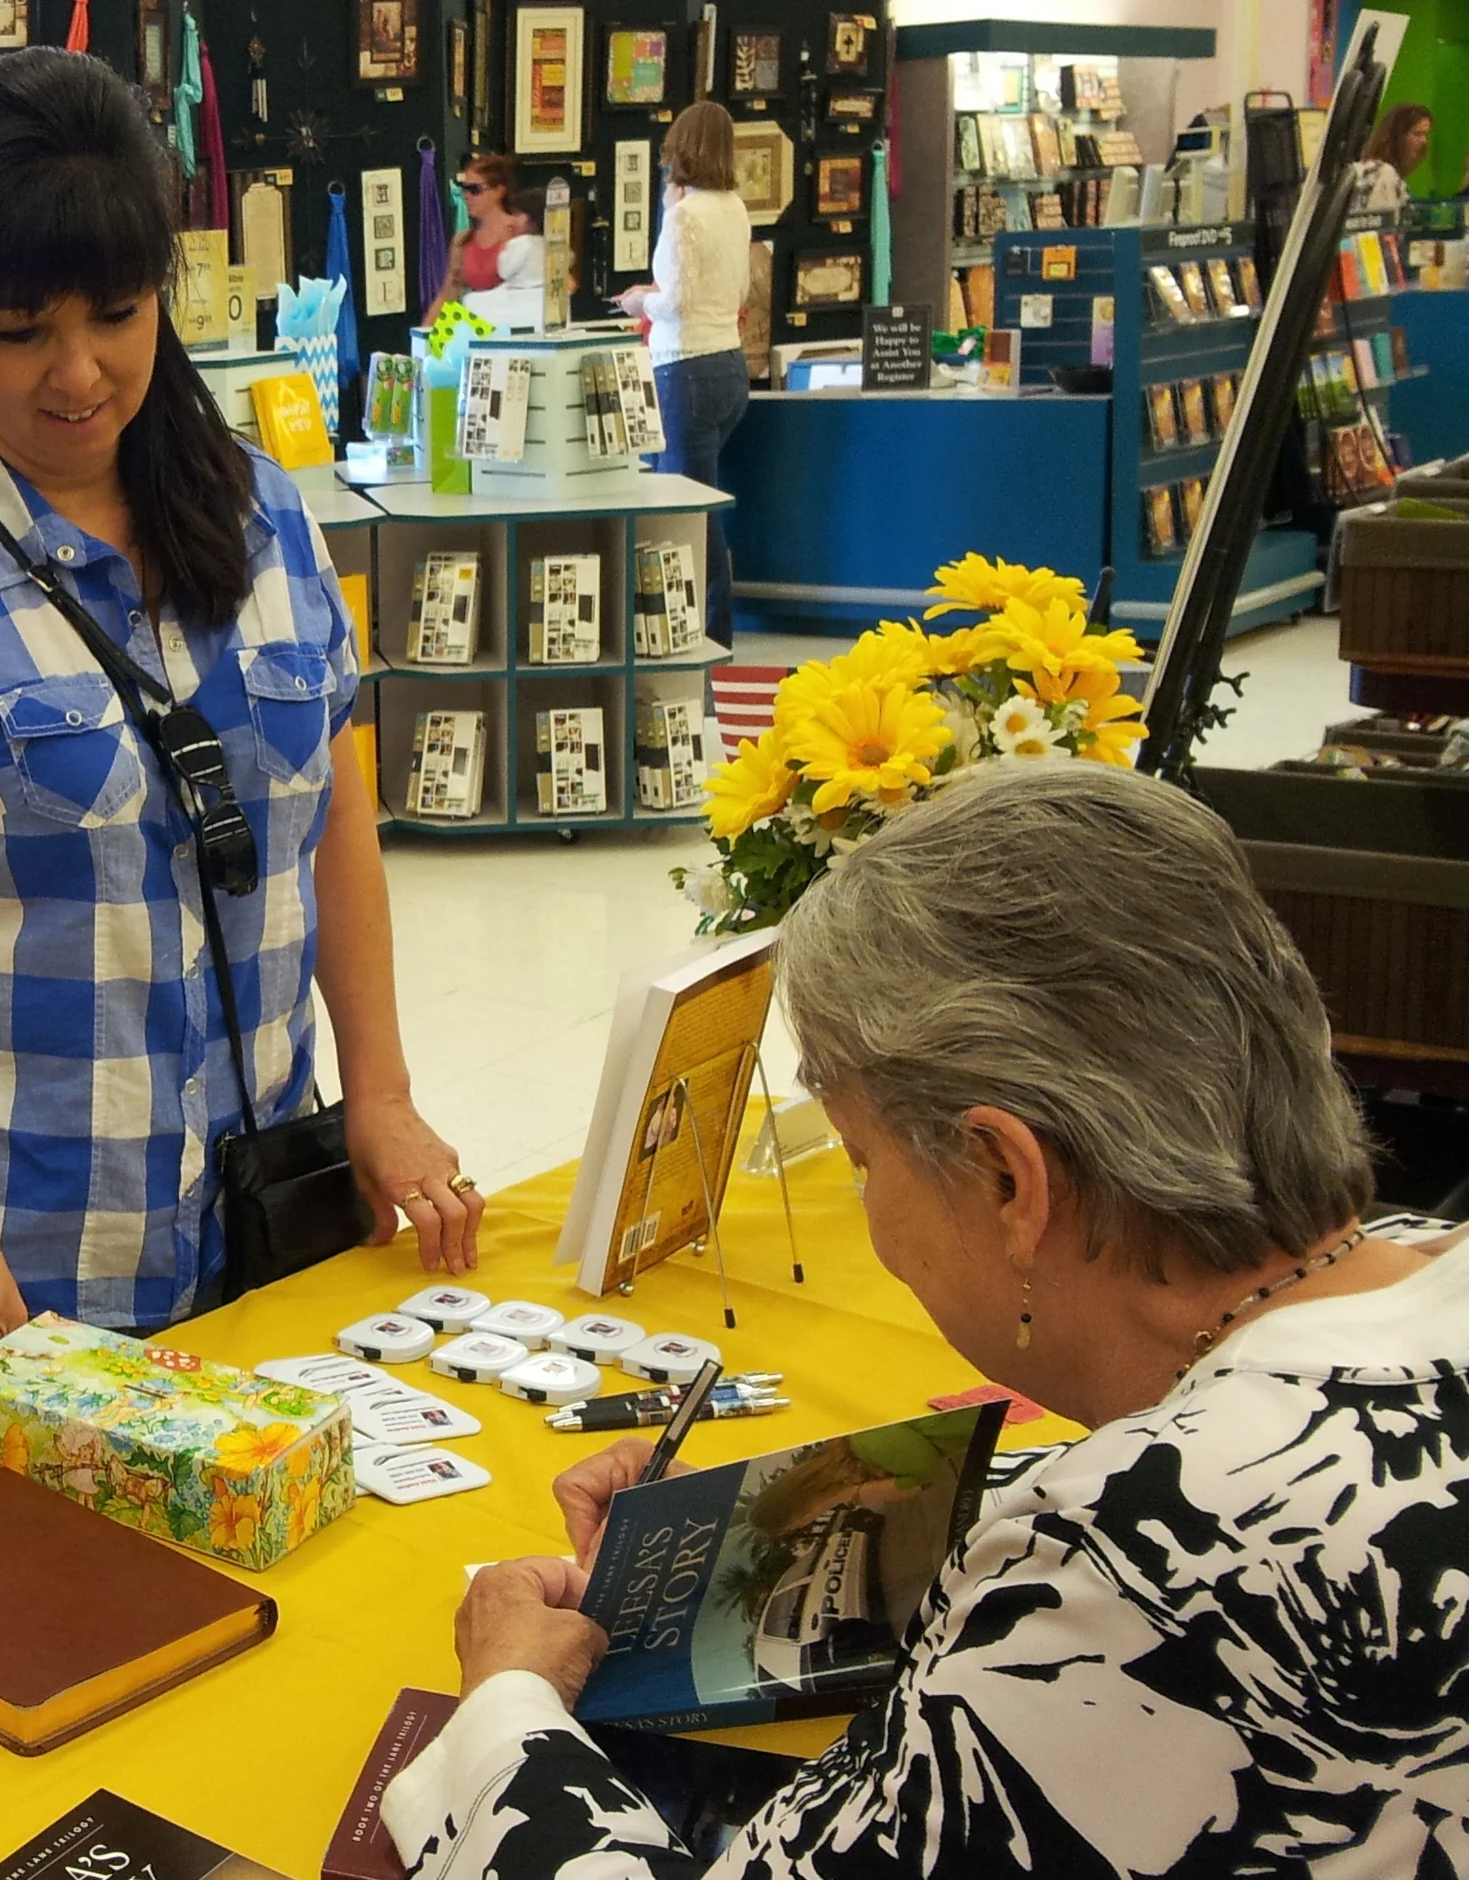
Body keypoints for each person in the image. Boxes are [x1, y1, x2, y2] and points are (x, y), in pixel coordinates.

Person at [387, 761, 1469, 1877]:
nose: (870, 1214)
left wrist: (507, 1705)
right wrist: (769, 1541)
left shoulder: (1129, 1565)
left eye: (863, 1158)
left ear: (1007, 1178)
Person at [0, 48, 477, 1429]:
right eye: (24, 328)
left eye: (117, 311)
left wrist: (380, 1093)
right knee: (70, 1630)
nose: (80, 372)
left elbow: (337, 832)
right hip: (26, 1245)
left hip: (273, 1202)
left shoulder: (270, 519)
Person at [624, 103, 750, 645]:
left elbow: (675, 301)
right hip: (729, 363)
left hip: (685, 369)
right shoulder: (735, 207)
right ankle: (707, 633)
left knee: (688, 515)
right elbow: (737, 291)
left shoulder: (685, 216)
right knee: (703, 505)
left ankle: (704, 639)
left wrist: (639, 301)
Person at [431, 153, 544, 315]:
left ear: (499, 191)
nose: (466, 196)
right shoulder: (462, 241)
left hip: (518, 327)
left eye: (474, 190)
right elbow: (447, 295)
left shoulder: (520, 231)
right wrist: (423, 336)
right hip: (480, 325)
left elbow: (563, 283)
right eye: (464, 189)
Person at [1355, 102, 1432, 215]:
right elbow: (1384, 226)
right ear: (1397, 138)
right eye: (1417, 134)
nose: (1424, 141)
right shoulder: (1385, 174)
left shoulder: (1377, 170)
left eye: (1426, 135)